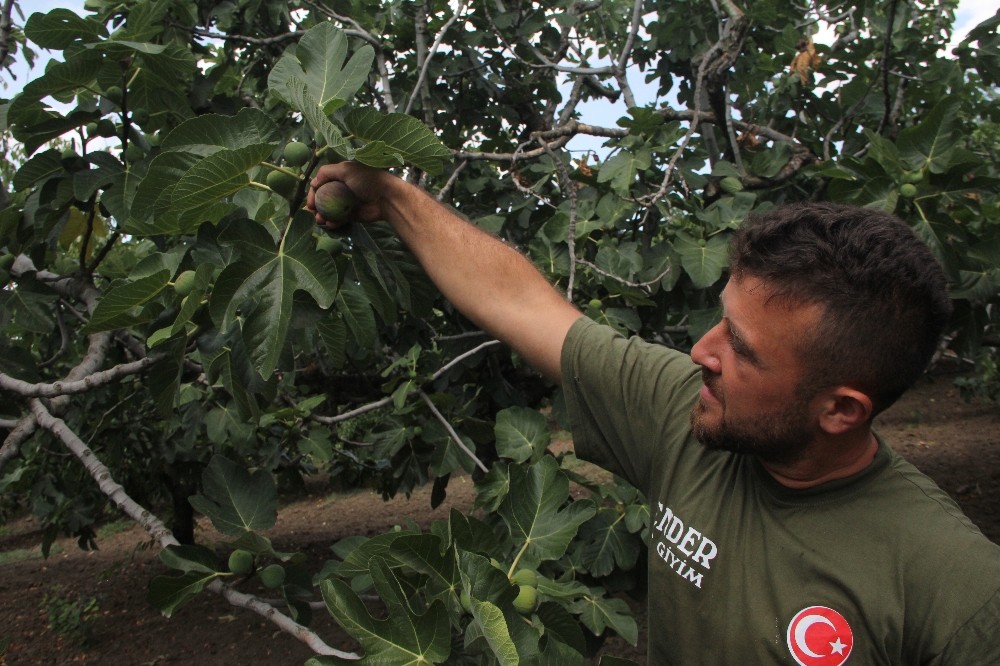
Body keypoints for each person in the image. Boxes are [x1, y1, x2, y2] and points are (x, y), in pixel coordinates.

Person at [307, 162, 1000, 664]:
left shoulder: (954, 589)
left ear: (842, 410)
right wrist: (394, 197)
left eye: (743, 350)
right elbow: (523, 306)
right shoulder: (683, 410)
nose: (702, 350)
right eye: (720, 320)